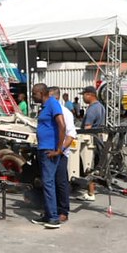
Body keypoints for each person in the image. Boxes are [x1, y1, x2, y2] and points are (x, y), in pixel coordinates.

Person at [29, 83, 66, 229]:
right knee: (46, 182)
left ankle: (53, 218)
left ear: (41, 93)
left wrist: (59, 149)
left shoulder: (52, 104)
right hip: (43, 148)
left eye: (34, 93)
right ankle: (48, 214)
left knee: (48, 183)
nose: (32, 96)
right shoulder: (45, 107)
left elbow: (62, 126)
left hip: (49, 150)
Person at [48, 86, 76, 222]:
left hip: (60, 153)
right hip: (48, 151)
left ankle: (63, 210)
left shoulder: (65, 113)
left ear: (56, 97)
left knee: (60, 182)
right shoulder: (47, 111)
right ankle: (50, 208)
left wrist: (59, 150)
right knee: (49, 182)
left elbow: (70, 135)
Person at [78, 85, 105, 201]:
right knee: (93, 166)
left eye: (84, 95)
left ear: (89, 95)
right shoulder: (100, 106)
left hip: (90, 140)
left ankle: (90, 193)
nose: (83, 97)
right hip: (98, 139)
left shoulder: (92, 109)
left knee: (88, 166)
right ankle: (91, 192)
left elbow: (87, 128)